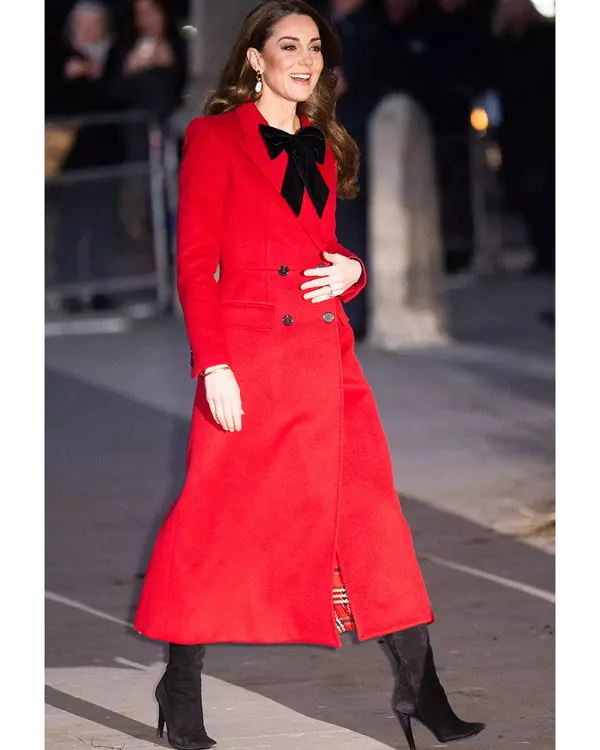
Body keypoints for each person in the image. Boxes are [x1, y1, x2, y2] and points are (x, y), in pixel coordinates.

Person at [133, 3, 486, 750]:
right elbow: (195, 265)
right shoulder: (214, 137)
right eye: (288, 45)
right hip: (250, 362)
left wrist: (353, 271)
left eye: (315, 47)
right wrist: (214, 364)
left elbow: (319, 250)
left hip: (326, 362)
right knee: (213, 524)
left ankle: (421, 689)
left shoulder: (321, 142)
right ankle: (180, 688)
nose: (305, 59)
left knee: (372, 518)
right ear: (255, 59)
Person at [55, 0, 123, 312]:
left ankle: (101, 290)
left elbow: (119, 98)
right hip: (70, 159)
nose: (88, 30)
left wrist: (100, 78)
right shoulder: (61, 58)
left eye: (94, 24)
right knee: (71, 224)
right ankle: (68, 290)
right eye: (82, 25)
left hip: (108, 155)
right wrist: (69, 78)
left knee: (103, 224)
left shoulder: (115, 58)